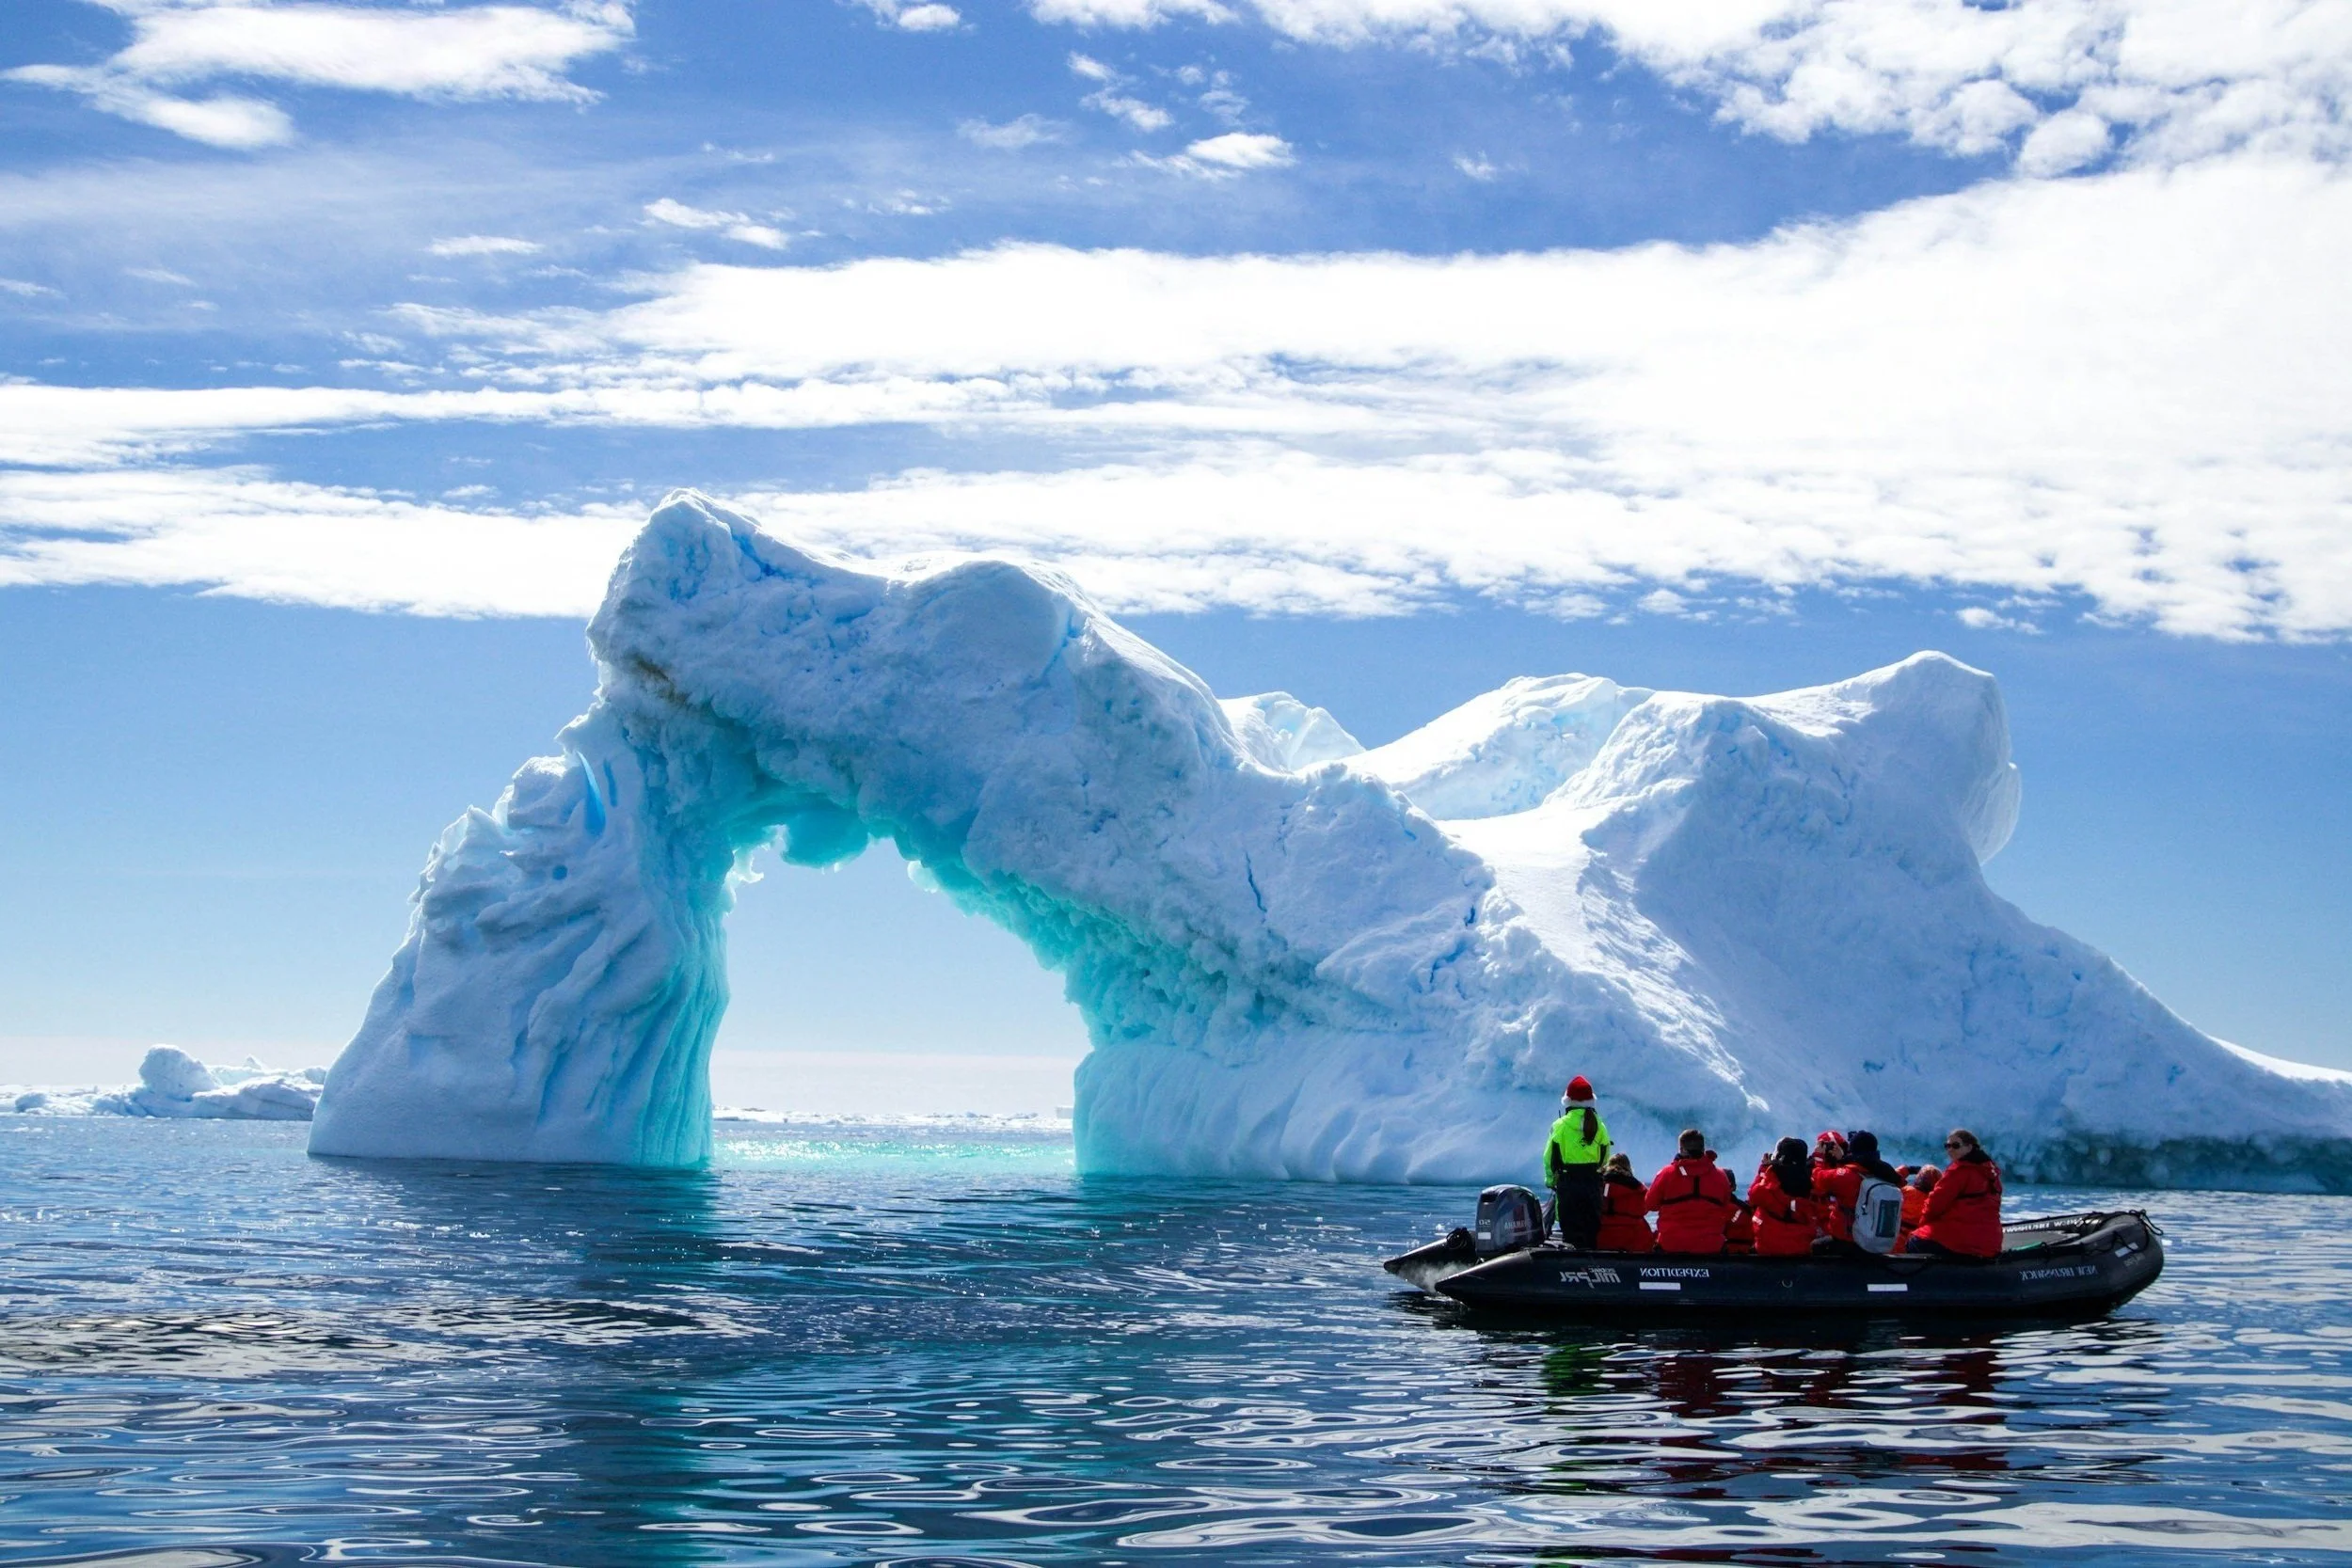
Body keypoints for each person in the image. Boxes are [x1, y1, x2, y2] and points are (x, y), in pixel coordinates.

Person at [1910, 1130, 2005, 1258]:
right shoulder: (1992, 1174)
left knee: (1914, 1241)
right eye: (1947, 1146)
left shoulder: (1959, 1171)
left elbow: (1935, 1204)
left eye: (1955, 1145)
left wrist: (1921, 1225)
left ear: (1970, 1147)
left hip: (1963, 1241)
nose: (1950, 1149)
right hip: (1991, 1242)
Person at [1545, 1076, 1611, 1249]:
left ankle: (1571, 1270)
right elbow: (1605, 1156)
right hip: (1592, 1184)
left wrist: (1551, 1180)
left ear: (1568, 1101)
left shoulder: (1560, 1126)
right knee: (1591, 1230)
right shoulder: (1600, 1126)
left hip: (1569, 1184)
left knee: (1571, 1232)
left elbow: (1549, 1158)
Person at [1645, 1128, 1736, 1255]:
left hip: (1671, 1245)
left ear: (1682, 1150)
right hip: (1711, 1246)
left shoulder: (1667, 1174)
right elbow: (1727, 1207)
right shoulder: (1721, 1176)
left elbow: (1650, 1204)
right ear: (1703, 1148)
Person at [1746, 1136, 1820, 1257]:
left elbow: (1753, 1196)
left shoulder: (1770, 1181)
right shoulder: (1814, 1181)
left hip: (1767, 1247)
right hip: (1801, 1248)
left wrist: (1764, 1170)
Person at [1844, 1130, 1909, 1255]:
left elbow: (1822, 1180)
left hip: (1854, 1236)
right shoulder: (1884, 1170)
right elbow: (1899, 1180)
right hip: (1880, 1240)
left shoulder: (1849, 1171)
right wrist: (1906, 1170)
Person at [1810, 1131, 1862, 1250]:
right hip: (1825, 1223)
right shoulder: (1862, 1168)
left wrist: (1819, 1160)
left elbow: (1822, 1180)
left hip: (1841, 1230)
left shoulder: (1848, 1171)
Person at [1597, 1152, 1655, 1252]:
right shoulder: (1638, 1188)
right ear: (1628, 1167)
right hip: (1633, 1239)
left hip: (1603, 1238)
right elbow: (1645, 1209)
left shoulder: (1598, 1185)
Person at [1899, 1164, 1939, 1250]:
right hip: (1914, 1248)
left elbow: (1889, 1179)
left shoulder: (1904, 1191)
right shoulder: (1935, 1203)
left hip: (1892, 1242)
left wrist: (1907, 1169)